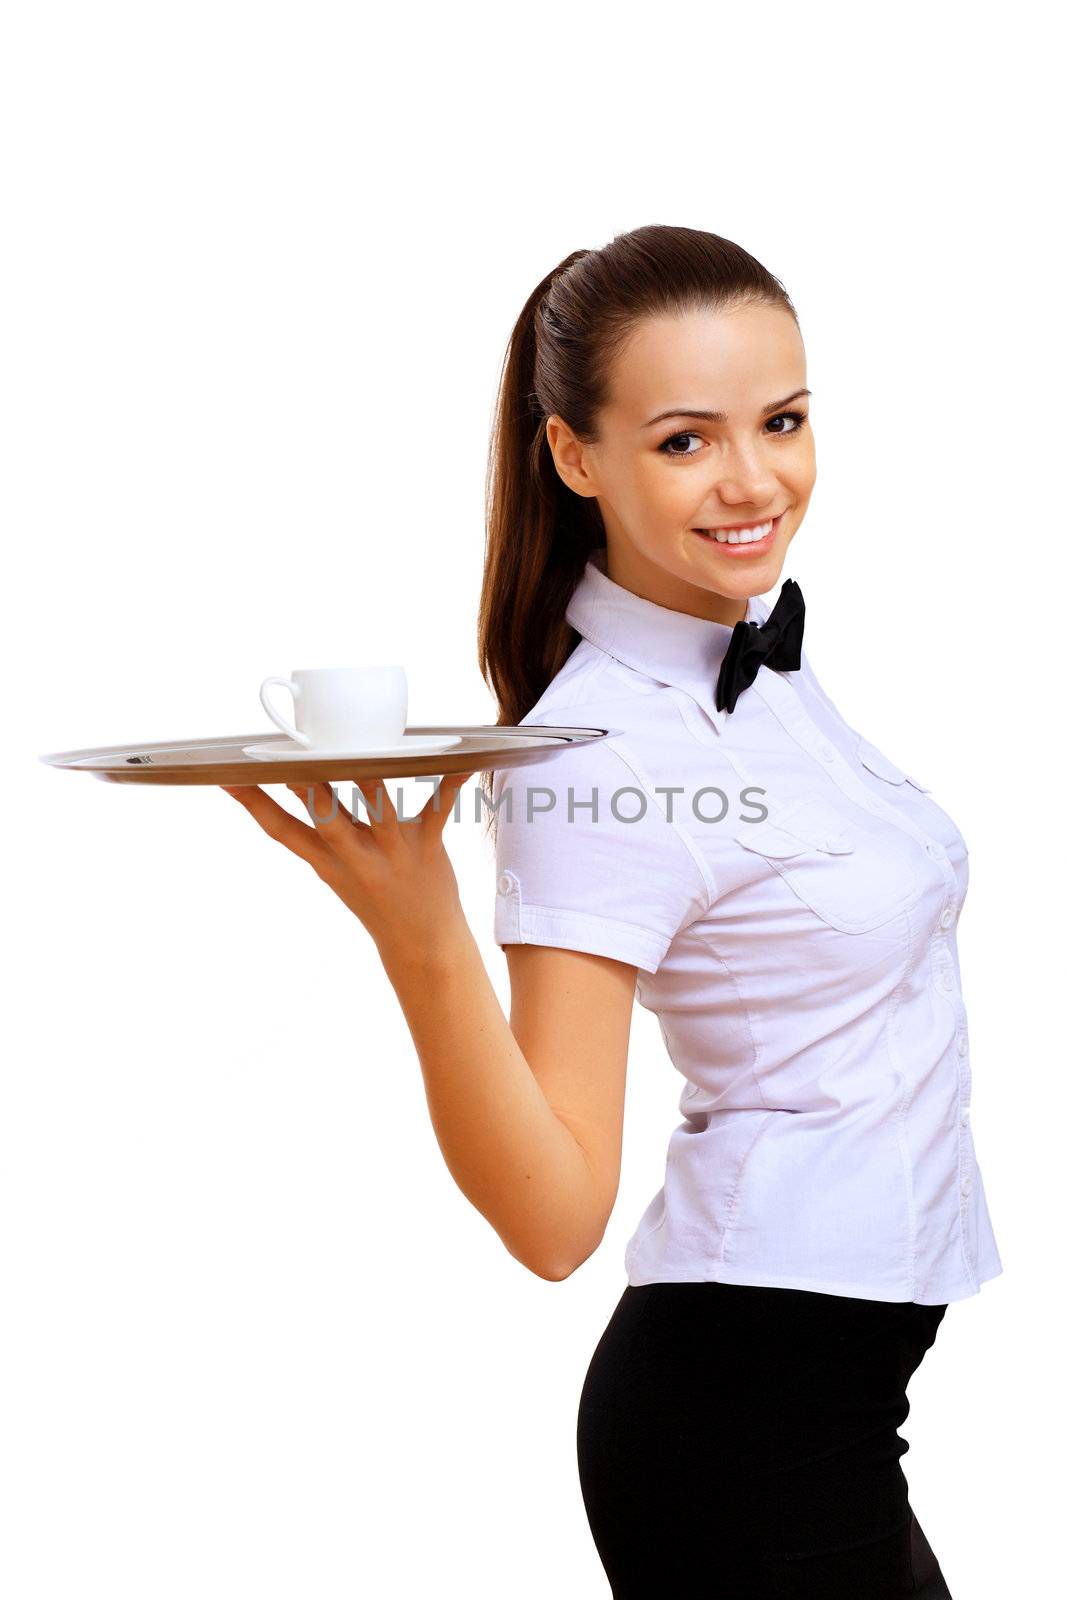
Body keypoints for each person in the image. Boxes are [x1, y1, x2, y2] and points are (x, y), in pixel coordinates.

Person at [221, 224, 1003, 1597]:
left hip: (832, 1401)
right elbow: (554, 1217)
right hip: (743, 1415)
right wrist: (421, 937)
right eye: (685, 441)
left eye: (785, 420)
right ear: (576, 457)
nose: (754, 479)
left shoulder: (753, 662)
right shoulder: (602, 756)